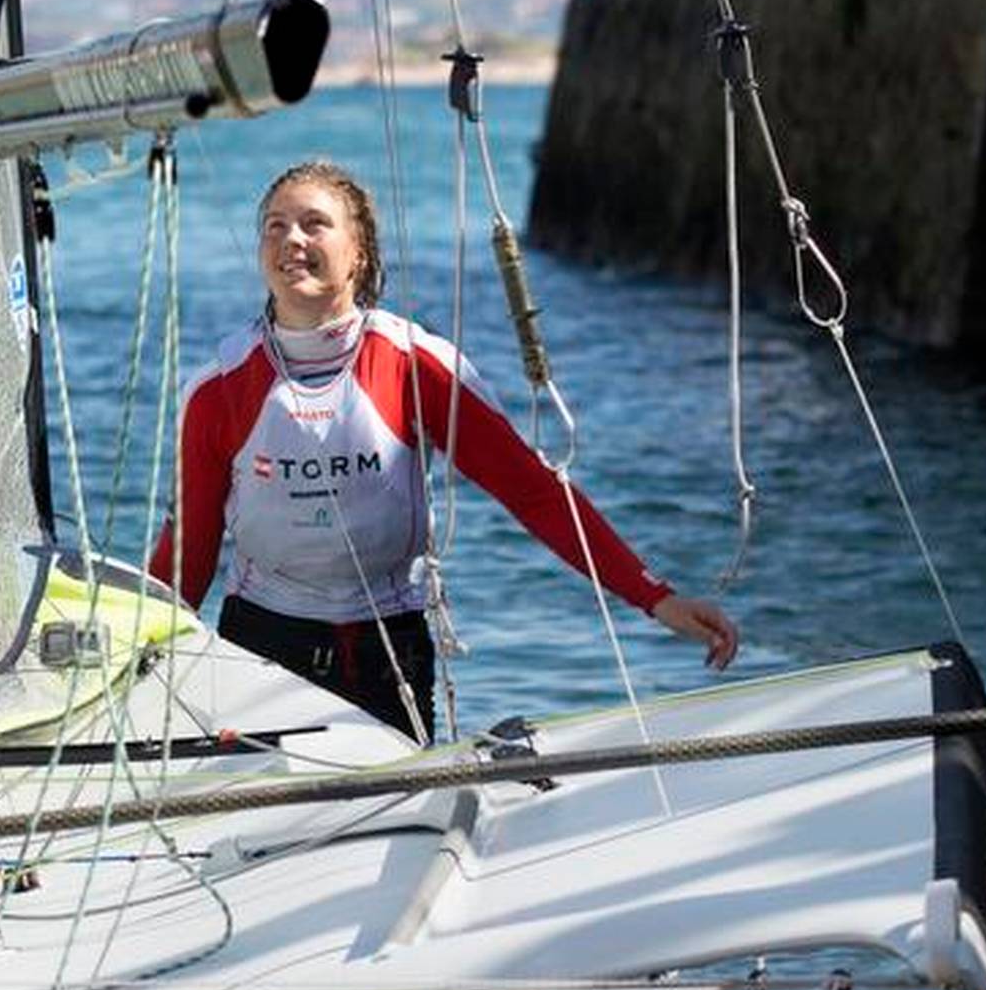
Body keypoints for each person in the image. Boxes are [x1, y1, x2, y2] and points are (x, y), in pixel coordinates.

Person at [149, 162, 738, 739]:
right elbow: (191, 548)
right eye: (275, 226)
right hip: (260, 648)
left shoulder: (415, 363)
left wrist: (654, 597)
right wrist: (139, 650)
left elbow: (533, 493)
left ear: (358, 253)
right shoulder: (218, 387)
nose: (291, 240)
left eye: (314, 224)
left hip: (387, 651)